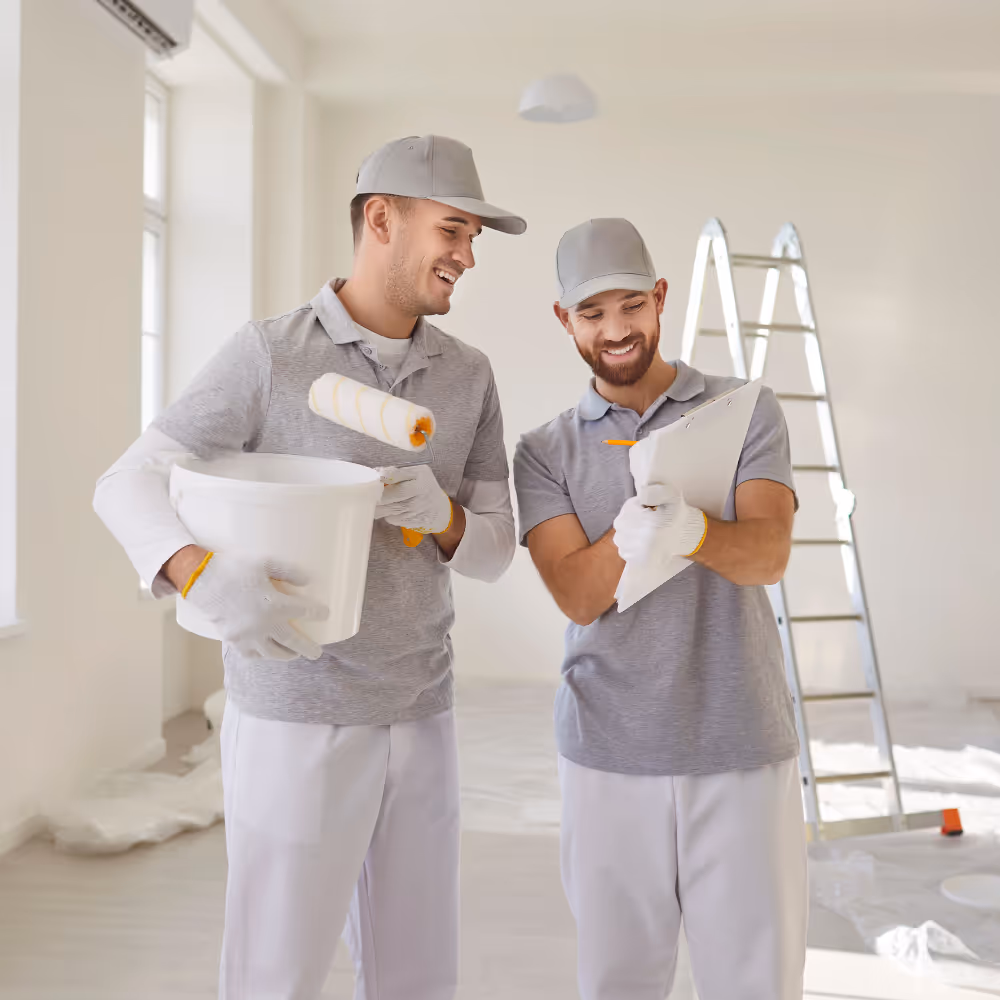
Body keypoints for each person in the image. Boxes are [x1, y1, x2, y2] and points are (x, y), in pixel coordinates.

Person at [94, 135, 526, 1000]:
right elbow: (127, 480)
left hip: (421, 709)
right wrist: (201, 574)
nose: (468, 255)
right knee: (276, 974)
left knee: (416, 977)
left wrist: (442, 519)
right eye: (453, 229)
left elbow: (495, 547)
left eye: (474, 236)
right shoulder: (271, 355)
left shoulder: (467, 376)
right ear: (381, 219)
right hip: (299, 713)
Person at [513, 218, 807, 1000]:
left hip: (738, 745)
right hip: (608, 754)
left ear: (660, 299)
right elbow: (577, 592)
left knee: (755, 981)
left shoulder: (746, 411)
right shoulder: (545, 451)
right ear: (563, 319)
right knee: (619, 982)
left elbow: (767, 555)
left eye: (631, 306)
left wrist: (691, 528)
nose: (615, 331)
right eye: (592, 313)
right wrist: (629, 535)